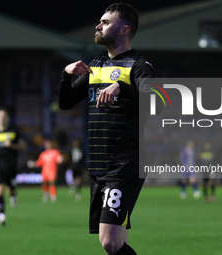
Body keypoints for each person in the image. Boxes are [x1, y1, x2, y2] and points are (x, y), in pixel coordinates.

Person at [58, 3, 156, 254]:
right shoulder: (97, 65)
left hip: (124, 163)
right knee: (117, 243)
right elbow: (66, 102)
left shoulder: (138, 65)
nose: (98, 26)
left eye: (105, 22)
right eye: (99, 21)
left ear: (124, 30)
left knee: (109, 241)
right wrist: (65, 74)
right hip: (100, 164)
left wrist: (123, 88)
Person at [0, 108, 26, 226]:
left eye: (4, 116)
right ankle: (1, 215)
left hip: (11, 165)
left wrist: (12, 145)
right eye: (0, 116)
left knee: (11, 188)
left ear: (7, 119)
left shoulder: (13, 132)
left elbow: (23, 146)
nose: (2, 118)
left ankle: (13, 196)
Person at [27, 138, 63, 203]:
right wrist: (33, 164)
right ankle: (46, 195)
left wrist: (60, 159)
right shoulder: (43, 154)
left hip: (52, 171)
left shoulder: (55, 152)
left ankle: (53, 196)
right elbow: (39, 163)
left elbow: (59, 160)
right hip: (45, 171)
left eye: (49, 144)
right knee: (44, 183)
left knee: (52, 182)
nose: (48, 145)